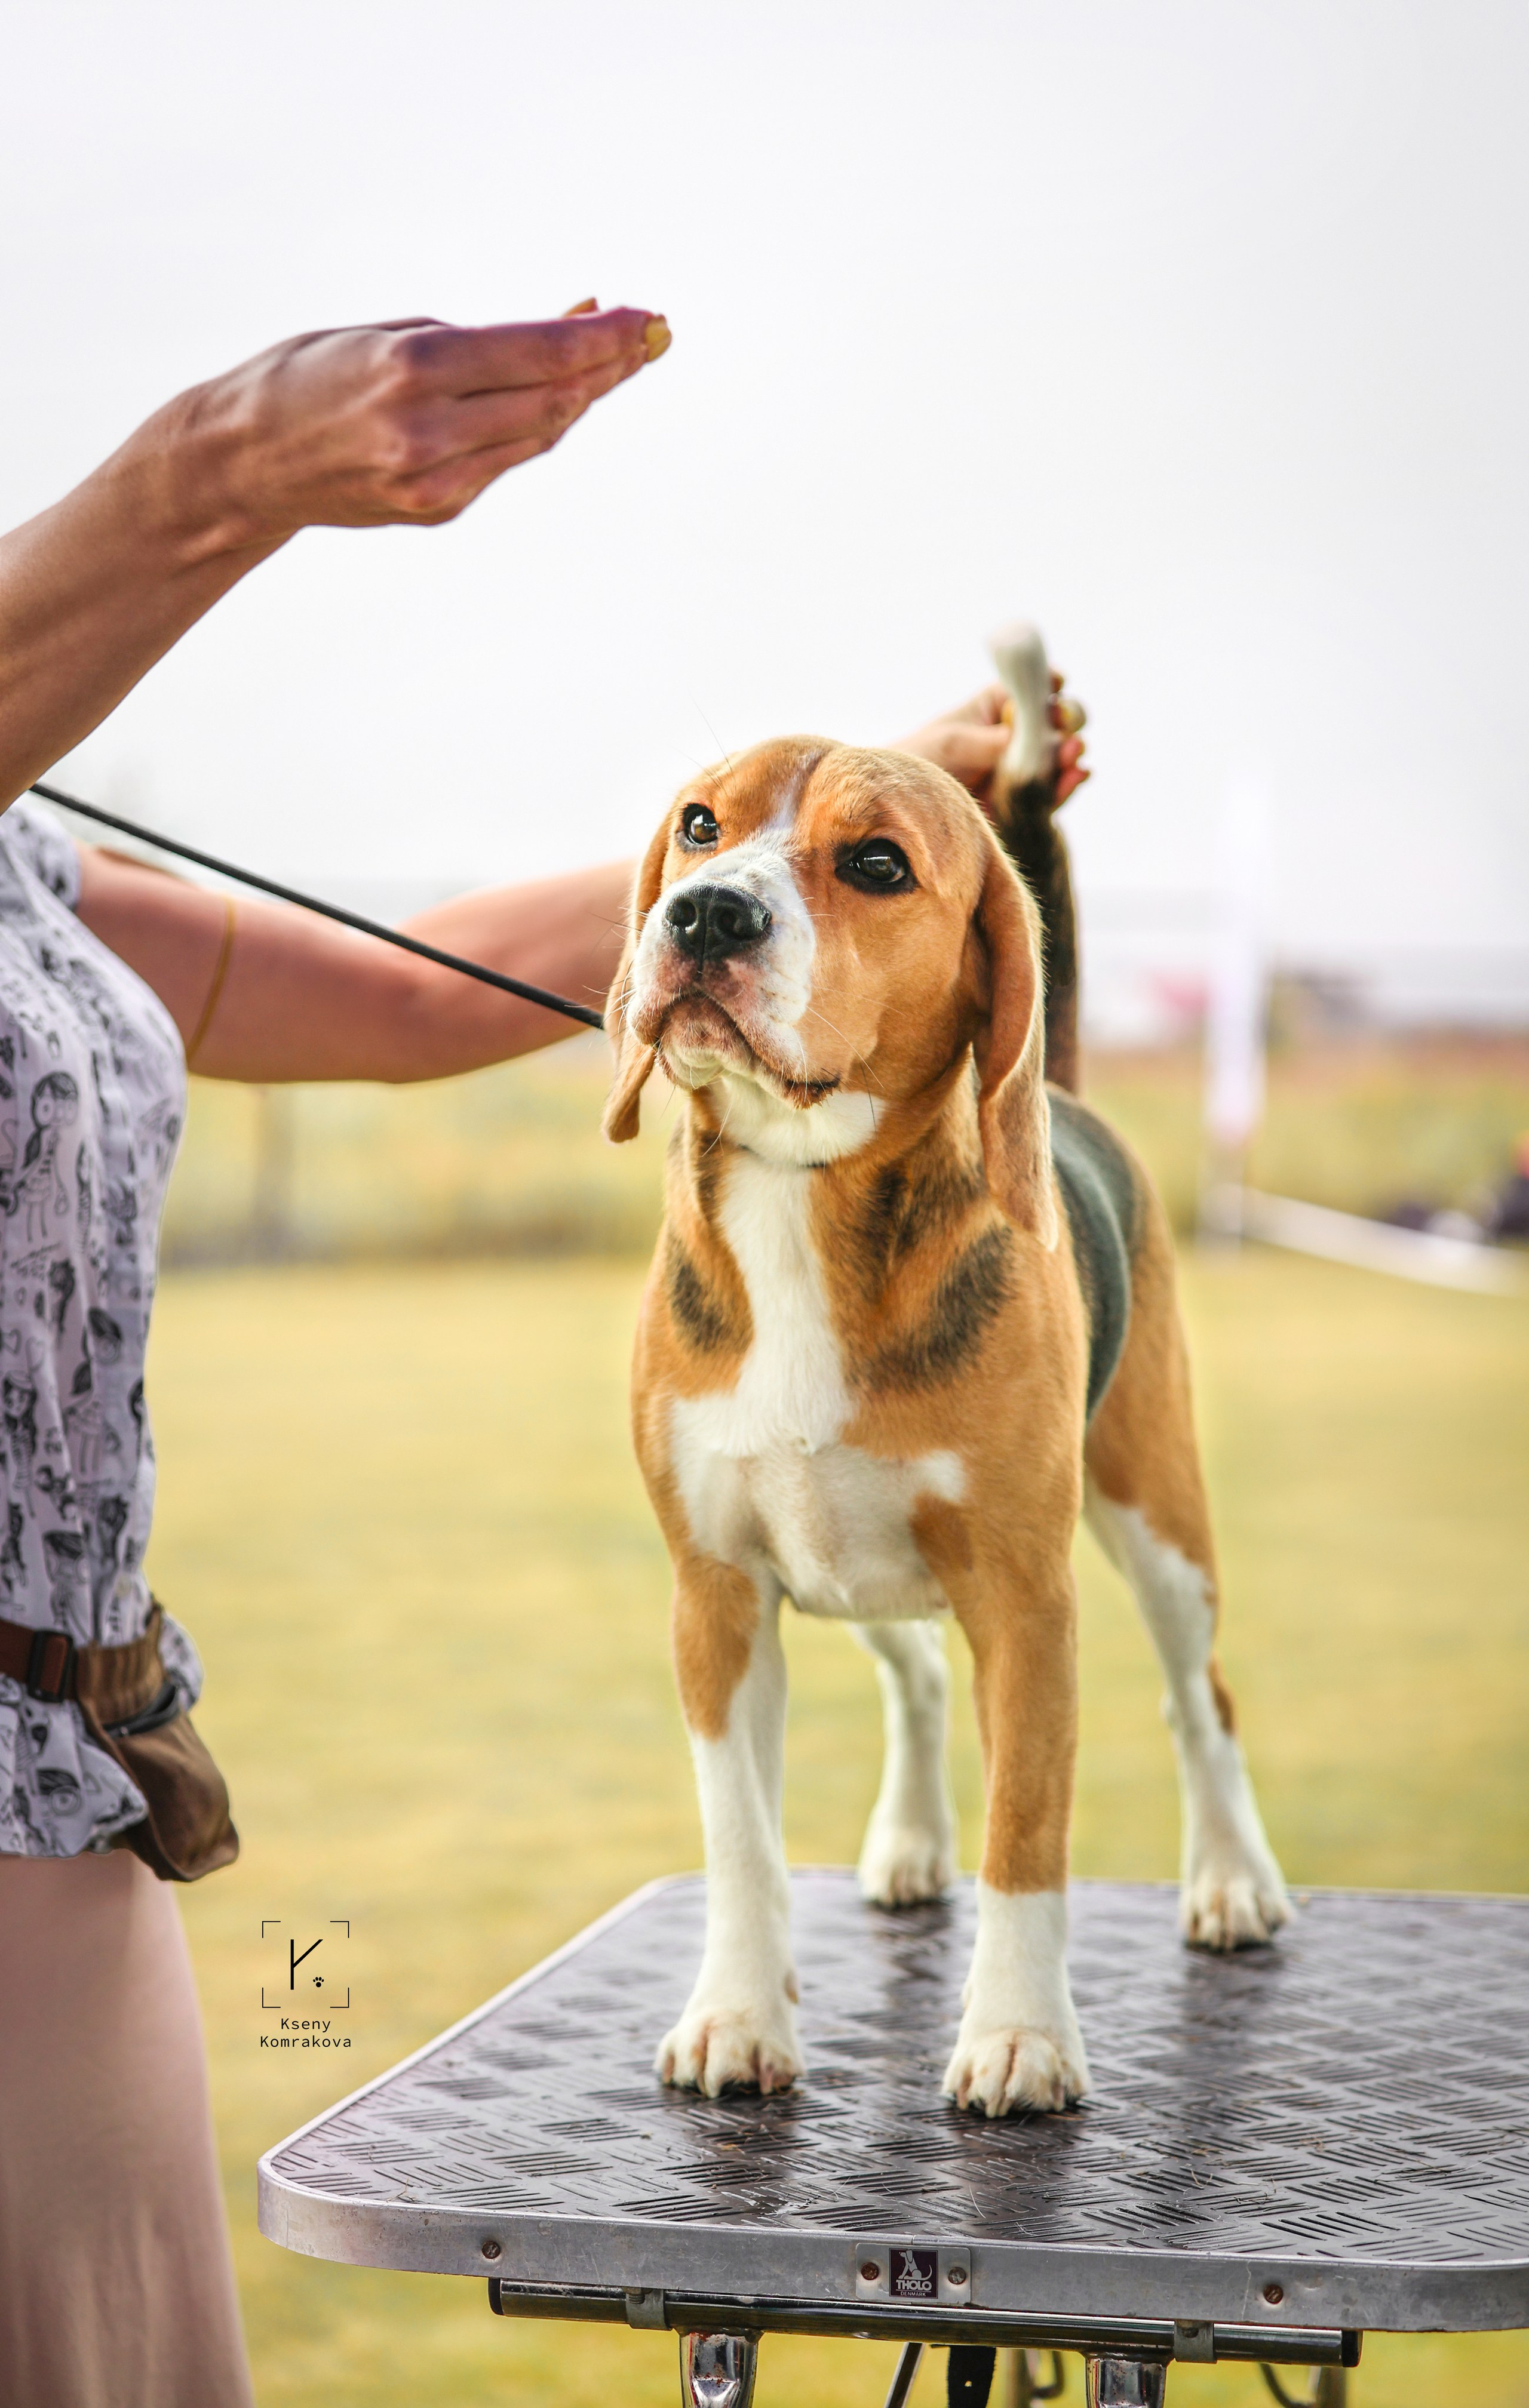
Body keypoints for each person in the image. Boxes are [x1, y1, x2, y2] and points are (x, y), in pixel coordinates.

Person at [0, 305, 1084, 2406]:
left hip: (78, 1784)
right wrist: (222, 461)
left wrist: (849, 832)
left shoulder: (32, 871)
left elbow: (421, 993)